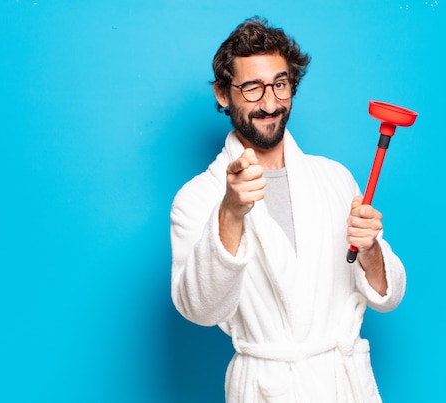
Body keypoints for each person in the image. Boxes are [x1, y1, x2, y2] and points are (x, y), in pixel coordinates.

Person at [170, 16, 406, 402]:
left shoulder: (334, 179)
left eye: (280, 85)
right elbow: (199, 309)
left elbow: (389, 296)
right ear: (222, 94)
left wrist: (371, 252)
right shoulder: (197, 198)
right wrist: (230, 213)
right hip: (267, 389)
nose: (269, 103)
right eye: (251, 88)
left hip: (342, 385)